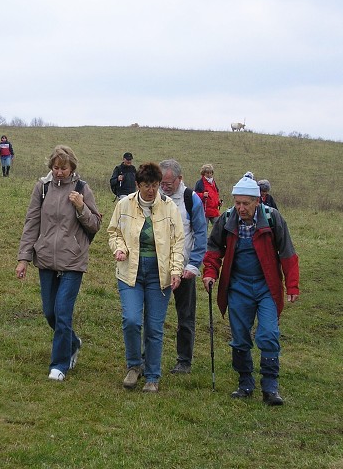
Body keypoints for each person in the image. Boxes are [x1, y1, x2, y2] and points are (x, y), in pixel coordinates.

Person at [202, 175, 300, 406]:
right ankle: (245, 383)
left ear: (258, 201)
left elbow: (287, 253)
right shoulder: (226, 219)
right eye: (237, 202)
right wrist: (209, 272)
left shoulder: (272, 219)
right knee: (240, 336)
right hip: (237, 286)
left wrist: (292, 285)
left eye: (246, 203)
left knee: (268, 334)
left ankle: (270, 387)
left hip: (267, 286)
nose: (241, 208)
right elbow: (214, 248)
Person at [16, 145, 102, 382]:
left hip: (73, 261)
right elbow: (31, 222)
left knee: (63, 312)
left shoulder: (83, 189)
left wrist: (81, 207)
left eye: (64, 168)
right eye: (55, 168)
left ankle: (59, 365)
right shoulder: (41, 188)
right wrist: (23, 258)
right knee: (50, 313)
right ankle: (73, 343)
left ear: (72, 167)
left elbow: (95, 224)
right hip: (45, 259)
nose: (59, 172)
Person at [108, 162, 185, 393]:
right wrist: (119, 248)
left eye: (154, 185)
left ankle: (152, 376)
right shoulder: (124, 204)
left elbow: (177, 241)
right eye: (146, 185)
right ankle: (134, 366)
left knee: (154, 327)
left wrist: (175, 270)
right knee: (131, 320)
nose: (151, 190)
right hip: (130, 271)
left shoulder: (169, 207)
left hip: (158, 274)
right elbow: (114, 232)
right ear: (138, 185)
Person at [158, 159, 207, 375]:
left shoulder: (191, 199)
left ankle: (184, 360)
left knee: (185, 316)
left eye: (168, 182)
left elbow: (201, 235)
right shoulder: (154, 196)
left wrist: (193, 265)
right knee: (152, 315)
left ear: (180, 178)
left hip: (184, 269)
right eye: (162, 182)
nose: (164, 186)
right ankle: (146, 357)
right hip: (157, 267)